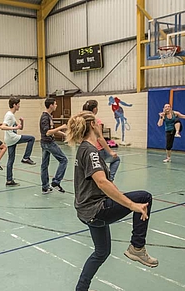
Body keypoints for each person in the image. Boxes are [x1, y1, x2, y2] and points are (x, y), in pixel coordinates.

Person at [65, 110, 158, 291]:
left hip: (86, 211)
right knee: (144, 197)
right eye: (99, 123)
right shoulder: (90, 151)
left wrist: (121, 197)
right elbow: (101, 182)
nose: (101, 125)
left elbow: (105, 183)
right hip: (96, 210)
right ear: (92, 125)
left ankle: (81, 289)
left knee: (102, 252)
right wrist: (132, 205)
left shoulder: (85, 149)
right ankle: (137, 248)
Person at [83, 100, 120, 181]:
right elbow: (99, 137)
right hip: (98, 150)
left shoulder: (82, 121)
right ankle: (110, 179)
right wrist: (110, 151)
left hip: (85, 149)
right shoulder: (96, 121)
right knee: (116, 159)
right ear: (95, 109)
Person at [3, 97, 36, 186]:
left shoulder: (12, 115)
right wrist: (14, 128)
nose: (19, 106)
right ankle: (26, 157)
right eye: (18, 104)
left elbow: (20, 127)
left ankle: (9, 180)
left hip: (9, 139)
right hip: (12, 137)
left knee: (11, 159)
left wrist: (22, 122)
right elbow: (3, 127)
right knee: (31, 138)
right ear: (14, 105)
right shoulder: (9, 115)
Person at [39, 97, 68, 194]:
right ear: (51, 105)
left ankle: (45, 187)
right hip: (48, 143)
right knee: (63, 160)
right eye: (55, 104)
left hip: (45, 143)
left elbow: (53, 131)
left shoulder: (49, 116)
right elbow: (48, 132)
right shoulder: (45, 117)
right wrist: (62, 127)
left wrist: (64, 134)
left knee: (44, 165)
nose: (56, 106)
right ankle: (56, 181)